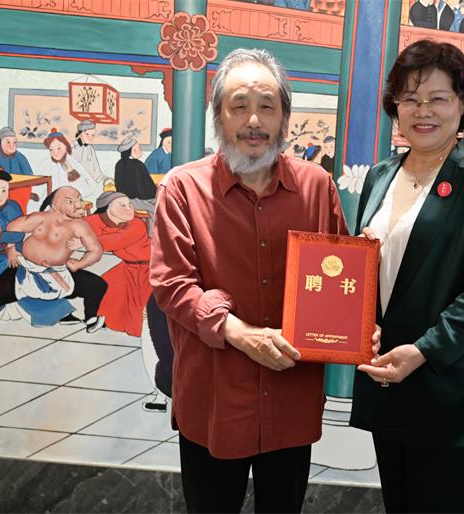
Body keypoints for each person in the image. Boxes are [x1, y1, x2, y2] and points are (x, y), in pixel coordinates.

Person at [149, 48, 355, 514]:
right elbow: (173, 284)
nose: (254, 121)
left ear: (285, 118)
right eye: (239, 106)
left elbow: (339, 272)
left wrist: (355, 325)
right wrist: (239, 332)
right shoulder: (183, 188)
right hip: (216, 397)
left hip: (290, 396)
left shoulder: (316, 186)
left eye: (267, 106)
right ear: (219, 117)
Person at [350, 40, 464, 513]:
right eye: (410, 99)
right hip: (388, 381)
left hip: (446, 387)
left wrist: (424, 350)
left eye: (438, 98)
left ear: (462, 105)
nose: (423, 111)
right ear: (395, 108)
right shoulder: (381, 175)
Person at [0, 186, 107, 344]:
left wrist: (80, 264)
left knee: (98, 285)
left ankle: (91, 319)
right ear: (56, 204)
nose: (78, 205)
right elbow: (13, 227)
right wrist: (11, 248)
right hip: (28, 271)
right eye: (70, 201)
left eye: (79, 199)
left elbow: (96, 250)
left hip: (59, 274)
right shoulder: (40, 218)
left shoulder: (79, 226)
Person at [0, 165, 74, 333]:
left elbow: (21, 234)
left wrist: (4, 239)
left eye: (4, 190)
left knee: (34, 277)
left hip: (18, 252)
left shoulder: (13, 206)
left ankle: (59, 312)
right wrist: (3, 239)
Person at [83, 192, 152, 337]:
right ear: (109, 209)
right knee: (104, 288)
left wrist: (85, 240)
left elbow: (115, 240)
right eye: (123, 205)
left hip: (152, 268)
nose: (129, 208)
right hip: (128, 267)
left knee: (143, 314)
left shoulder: (137, 224)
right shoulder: (96, 220)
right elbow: (77, 226)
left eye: (129, 204)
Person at [36, 128, 97, 209]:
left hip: (70, 204)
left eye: (59, 148)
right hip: (49, 205)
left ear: (66, 147)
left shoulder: (72, 163)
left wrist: (72, 173)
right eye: (51, 149)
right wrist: (36, 195)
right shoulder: (46, 163)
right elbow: (38, 187)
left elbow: (90, 187)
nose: (55, 153)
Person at [114, 137, 157, 234]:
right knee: (155, 209)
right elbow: (142, 187)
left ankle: (151, 233)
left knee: (157, 204)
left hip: (126, 198)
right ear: (130, 151)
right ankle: (153, 234)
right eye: (137, 149)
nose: (140, 150)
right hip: (136, 199)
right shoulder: (137, 165)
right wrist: (153, 195)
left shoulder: (119, 164)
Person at [71, 120, 106, 186]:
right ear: (80, 133)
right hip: (76, 184)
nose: (90, 138)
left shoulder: (90, 148)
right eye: (87, 134)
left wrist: (105, 180)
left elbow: (96, 171)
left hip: (90, 184)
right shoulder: (73, 148)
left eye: (93, 135)